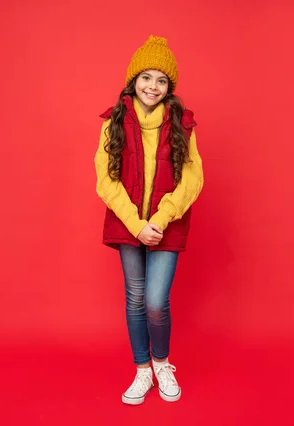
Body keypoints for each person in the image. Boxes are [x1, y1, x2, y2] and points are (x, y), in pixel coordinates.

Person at [94, 35, 204, 405]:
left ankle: (162, 363)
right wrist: (136, 224)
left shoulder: (181, 124)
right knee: (136, 299)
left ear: (169, 87)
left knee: (157, 300)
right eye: (146, 78)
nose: (152, 86)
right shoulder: (114, 122)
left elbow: (193, 179)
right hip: (128, 225)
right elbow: (104, 180)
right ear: (133, 81)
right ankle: (142, 369)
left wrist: (158, 219)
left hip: (166, 224)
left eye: (161, 80)